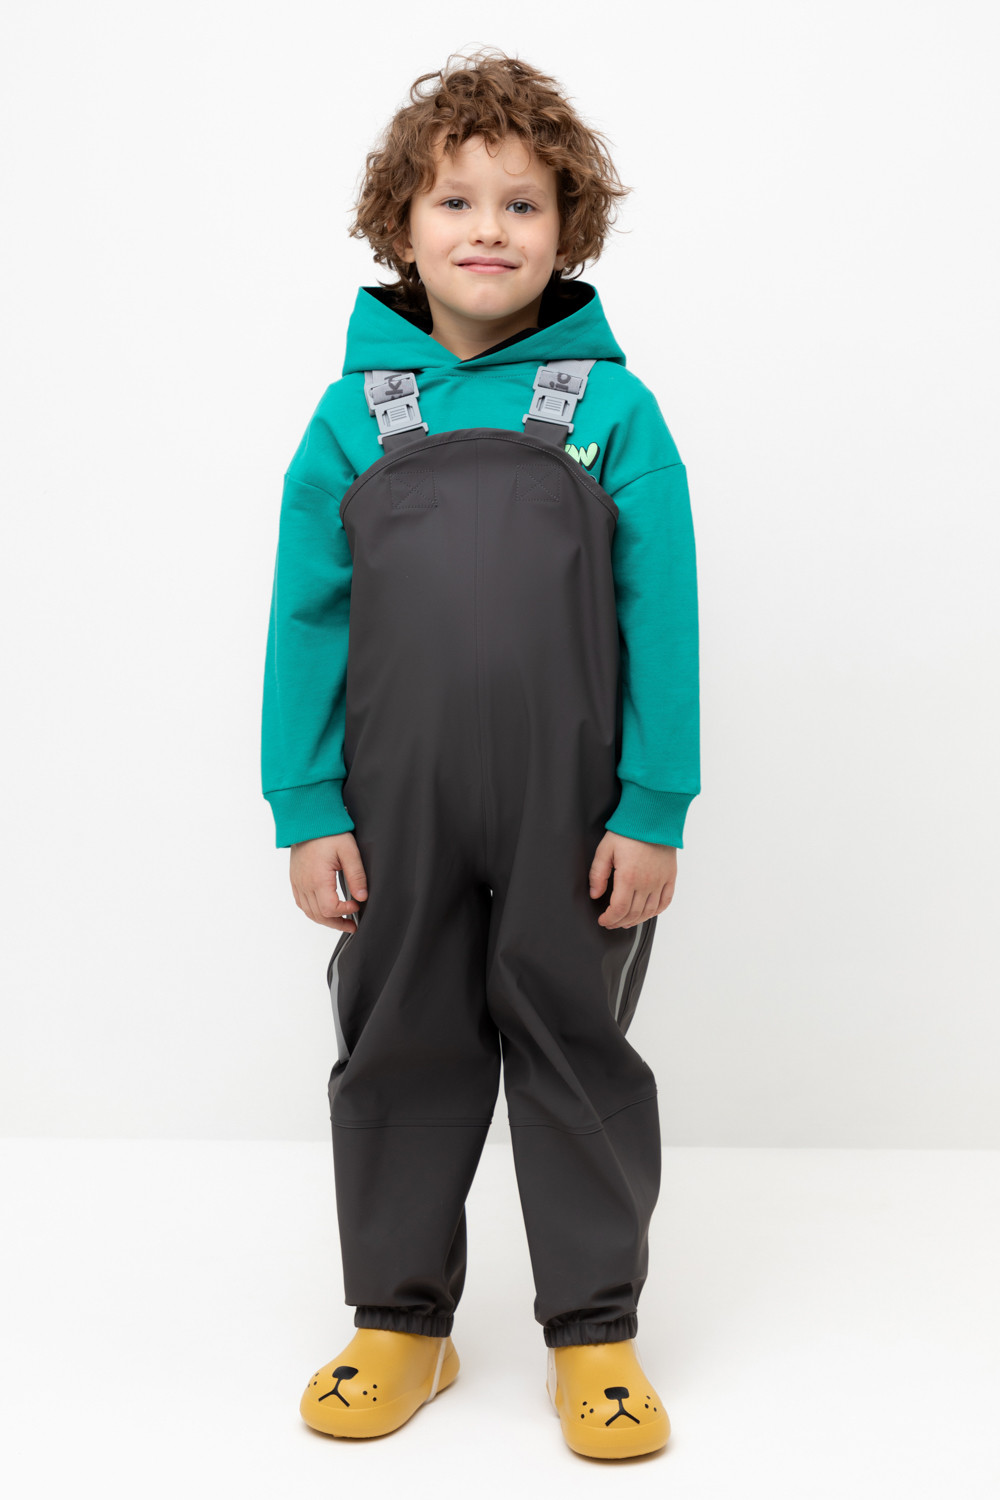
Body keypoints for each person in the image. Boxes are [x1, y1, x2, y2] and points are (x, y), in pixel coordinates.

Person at [260, 47, 700, 1460]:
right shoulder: (352, 419)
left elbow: (664, 617)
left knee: (574, 1049)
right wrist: (306, 803)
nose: (489, 230)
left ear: (569, 232)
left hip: (577, 815)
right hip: (393, 811)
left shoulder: (613, 414)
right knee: (398, 1044)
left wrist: (653, 804)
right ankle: (402, 1323)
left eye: (523, 204)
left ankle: (597, 1333)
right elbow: (306, 622)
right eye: (456, 201)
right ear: (403, 224)